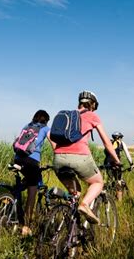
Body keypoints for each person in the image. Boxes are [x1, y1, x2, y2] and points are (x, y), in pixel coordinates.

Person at [48, 91, 120, 224]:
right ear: (92, 104)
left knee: (76, 193)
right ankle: (85, 205)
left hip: (58, 159)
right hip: (80, 157)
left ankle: (70, 232)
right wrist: (117, 160)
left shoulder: (68, 115)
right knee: (98, 182)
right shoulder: (92, 116)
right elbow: (106, 143)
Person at [13, 109, 50, 236]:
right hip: (31, 161)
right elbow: (54, 144)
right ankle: (26, 226)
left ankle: (13, 205)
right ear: (46, 120)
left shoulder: (27, 126)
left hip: (17, 158)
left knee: (27, 178)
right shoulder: (45, 128)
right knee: (32, 191)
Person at [103, 132, 134, 200]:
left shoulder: (109, 143)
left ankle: (107, 195)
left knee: (110, 179)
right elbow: (127, 155)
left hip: (107, 162)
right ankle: (119, 201)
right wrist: (131, 164)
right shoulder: (121, 143)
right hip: (116, 163)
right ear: (119, 137)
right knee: (118, 181)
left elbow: (105, 152)